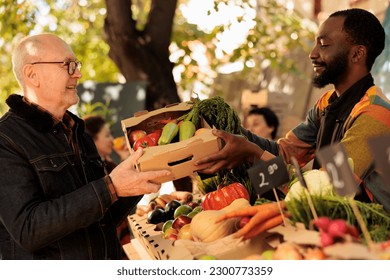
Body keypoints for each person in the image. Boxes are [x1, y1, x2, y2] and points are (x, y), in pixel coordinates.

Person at [195, 8, 390, 212]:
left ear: (357, 54)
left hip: (373, 235)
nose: (312, 53)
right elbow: (283, 154)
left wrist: (251, 154)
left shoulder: (375, 114)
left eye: (324, 44)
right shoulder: (327, 104)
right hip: (328, 220)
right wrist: (230, 133)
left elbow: (324, 191)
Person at [0, 33, 170, 259]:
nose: (78, 73)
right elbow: (28, 229)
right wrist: (111, 187)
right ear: (32, 74)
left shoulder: (78, 131)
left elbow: (102, 217)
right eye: (68, 65)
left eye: (76, 65)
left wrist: (143, 173)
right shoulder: (6, 138)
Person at [82, 114, 132, 258]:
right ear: (93, 140)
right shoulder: (92, 173)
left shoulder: (106, 165)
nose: (112, 139)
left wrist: (124, 157)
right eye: (107, 135)